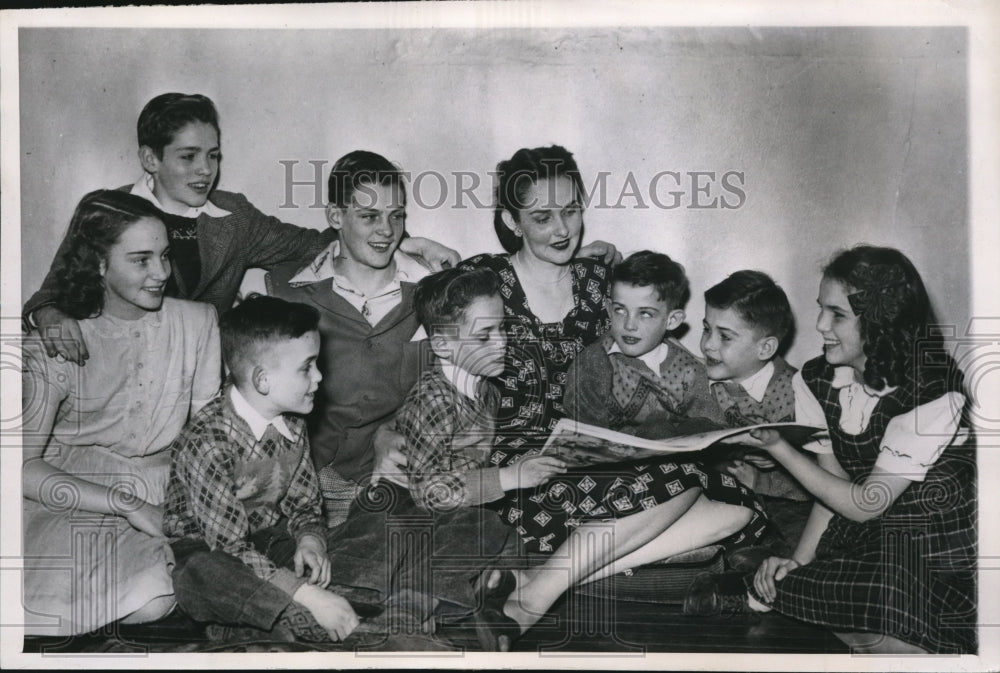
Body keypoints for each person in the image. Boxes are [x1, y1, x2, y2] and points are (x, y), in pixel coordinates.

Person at [457, 151, 766, 645]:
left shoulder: (598, 281)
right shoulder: (484, 280)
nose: (563, 229)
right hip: (524, 460)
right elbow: (434, 340)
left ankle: (534, 580)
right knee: (686, 484)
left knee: (737, 510)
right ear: (512, 222)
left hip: (600, 445)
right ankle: (532, 601)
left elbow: (648, 331)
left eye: (571, 210)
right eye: (542, 217)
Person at [269, 149, 617, 525]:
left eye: (397, 216)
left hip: (416, 472)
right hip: (331, 479)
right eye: (370, 216)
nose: (386, 229)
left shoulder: (432, 287)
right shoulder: (294, 296)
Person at [23, 92, 458, 365]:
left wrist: (405, 242)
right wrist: (51, 316)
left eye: (213, 156)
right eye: (189, 156)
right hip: (115, 367)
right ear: (150, 159)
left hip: (200, 374)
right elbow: (50, 293)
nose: (205, 170)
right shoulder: (110, 211)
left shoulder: (234, 216)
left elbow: (316, 242)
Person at [686, 246, 977, 655]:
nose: (820, 324)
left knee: (884, 593)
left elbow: (866, 503)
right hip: (870, 539)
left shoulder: (932, 389)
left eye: (837, 314)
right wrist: (800, 561)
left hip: (935, 547)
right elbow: (830, 488)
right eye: (821, 308)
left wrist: (779, 448)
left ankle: (772, 594)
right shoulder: (819, 380)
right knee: (813, 580)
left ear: (880, 320)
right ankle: (834, 612)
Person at [163, 296, 488, 649]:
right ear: (262, 379)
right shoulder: (207, 441)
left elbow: (304, 505)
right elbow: (229, 547)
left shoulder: (292, 419)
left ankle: (377, 612)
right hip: (213, 552)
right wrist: (309, 595)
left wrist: (310, 539)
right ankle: (309, 614)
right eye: (307, 367)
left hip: (271, 540)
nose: (319, 377)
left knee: (410, 518)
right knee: (203, 574)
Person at [21, 190, 221, 636]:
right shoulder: (56, 340)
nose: (162, 273)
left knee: (165, 592)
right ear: (98, 264)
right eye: (141, 260)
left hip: (167, 489)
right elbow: (21, 469)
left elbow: (209, 437)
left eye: (164, 256)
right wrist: (127, 505)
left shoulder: (199, 322)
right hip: (75, 493)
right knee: (113, 597)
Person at [699, 270, 813, 569]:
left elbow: (819, 476)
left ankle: (751, 571)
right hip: (718, 495)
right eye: (706, 330)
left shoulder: (796, 392)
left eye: (725, 336)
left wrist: (765, 479)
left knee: (798, 541)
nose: (708, 345)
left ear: (765, 348)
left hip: (783, 502)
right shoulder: (698, 381)